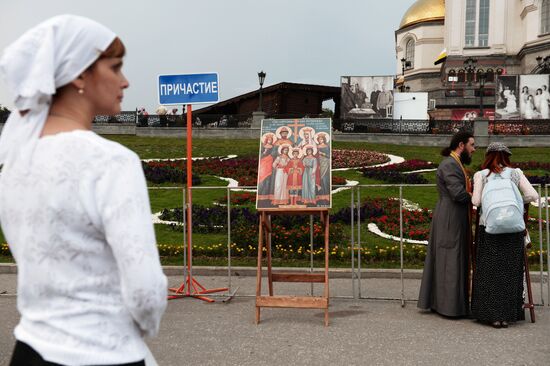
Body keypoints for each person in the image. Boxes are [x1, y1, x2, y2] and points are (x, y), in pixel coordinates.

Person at [0, 15, 167, 365]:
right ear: (79, 73)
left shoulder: (14, 161)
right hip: (102, 352)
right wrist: (137, 326)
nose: (125, 81)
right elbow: (146, 291)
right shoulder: (110, 162)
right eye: (115, 67)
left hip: (30, 349)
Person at [471, 143, 539, 328]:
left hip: (490, 229)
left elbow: (476, 201)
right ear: (507, 157)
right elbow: (532, 195)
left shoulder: (482, 175)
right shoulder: (515, 173)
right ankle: (507, 314)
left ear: (487, 157)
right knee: (510, 272)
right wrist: (516, 202)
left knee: (490, 272)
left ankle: (492, 314)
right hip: (513, 229)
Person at [418, 130, 476, 318]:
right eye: (472, 145)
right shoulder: (450, 164)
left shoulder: (454, 162)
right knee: (450, 259)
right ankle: (448, 306)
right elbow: (458, 194)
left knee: (452, 257)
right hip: (450, 217)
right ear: (461, 145)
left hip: (454, 215)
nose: (474, 149)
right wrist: (477, 196)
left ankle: (447, 303)